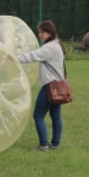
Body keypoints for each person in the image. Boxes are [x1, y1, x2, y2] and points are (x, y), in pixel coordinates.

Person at [17, 20, 66, 151]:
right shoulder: (57, 45)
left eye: (42, 32)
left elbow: (33, 56)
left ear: (49, 32)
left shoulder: (50, 47)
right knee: (55, 116)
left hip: (50, 87)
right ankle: (55, 144)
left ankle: (43, 145)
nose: (40, 35)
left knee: (38, 115)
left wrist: (14, 58)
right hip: (58, 87)